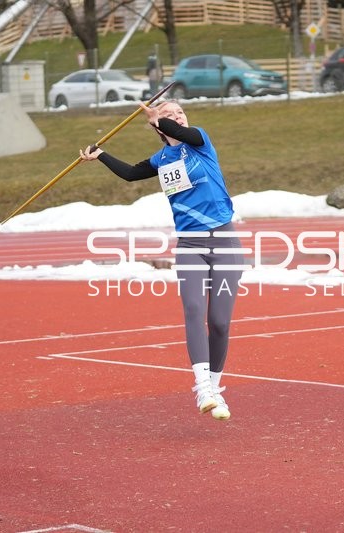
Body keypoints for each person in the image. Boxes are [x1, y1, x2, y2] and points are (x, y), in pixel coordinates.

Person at [79, 100, 244, 421]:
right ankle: (202, 387)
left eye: (179, 112)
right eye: (170, 114)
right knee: (194, 310)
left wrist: (160, 120)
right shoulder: (162, 159)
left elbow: (180, 132)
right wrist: (100, 156)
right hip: (190, 244)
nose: (177, 117)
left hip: (224, 241)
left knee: (220, 323)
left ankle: (215, 385)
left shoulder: (200, 142)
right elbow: (129, 174)